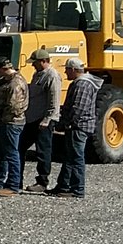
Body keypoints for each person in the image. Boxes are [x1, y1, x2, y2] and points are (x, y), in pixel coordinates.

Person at [51, 58, 101, 198]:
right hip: (77, 125)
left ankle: (77, 189)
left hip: (78, 126)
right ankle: (63, 186)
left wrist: (66, 123)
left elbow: (78, 108)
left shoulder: (83, 85)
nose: (65, 72)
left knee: (76, 158)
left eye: (67, 69)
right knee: (69, 156)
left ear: (73, 69)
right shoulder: (81, 83)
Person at [0, 55, 27, 197]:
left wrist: (0, 118)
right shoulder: (9, 81)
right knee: (4, 154)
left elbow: (14, 106)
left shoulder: (15, 84)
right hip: (8, 122)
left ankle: (13, 185)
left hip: (10, 123)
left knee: (12, 154)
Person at [23, 49, 61, 192]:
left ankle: (43, 182)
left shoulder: (52, 76)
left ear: (44, 61)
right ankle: (16, 178)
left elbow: (54, 101)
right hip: (32, 118)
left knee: (43, 151)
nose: (33, 65)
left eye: (35, 62)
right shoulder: (37, 75)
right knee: (20, 147)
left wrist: (47, 119)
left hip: (44, 121)